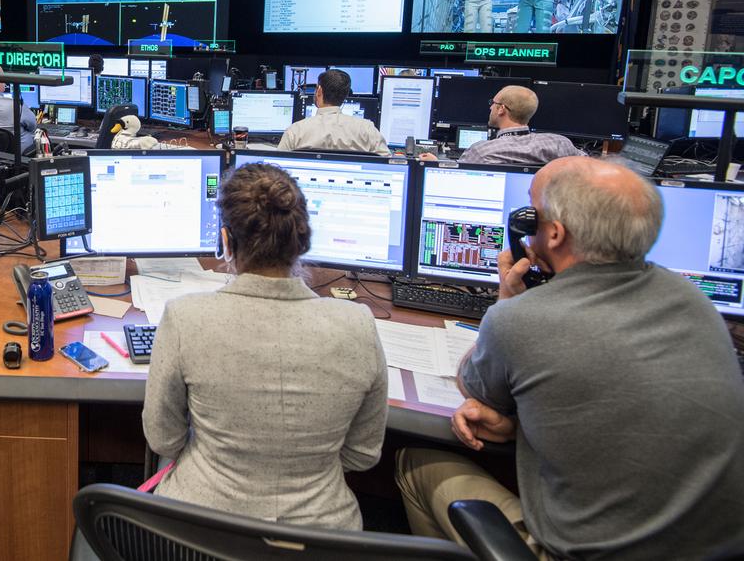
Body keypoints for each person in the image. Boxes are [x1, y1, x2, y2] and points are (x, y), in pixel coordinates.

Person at [396, 157, 744, 559]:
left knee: (414, 464)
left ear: (555, 234)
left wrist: (507, 299)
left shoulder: (521, 320)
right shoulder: (695, 302)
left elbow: (477, 392)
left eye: (531, 213)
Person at [143, 162, 388, 527]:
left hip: (200, 534)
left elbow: (164, 440)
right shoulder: (359, 325)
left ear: (226, 241)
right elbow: (362, 455)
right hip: (323, 541)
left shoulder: (185, 317)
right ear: (301, 241)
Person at [424, 85, 580, 166]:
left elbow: (455, 175)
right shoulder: (560, 143)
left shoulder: (481, 152)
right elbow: (589, 164)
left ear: (502, 109)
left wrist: (436, 162)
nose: (490, 107)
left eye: (494, 103)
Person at [277, 69, 389, 155]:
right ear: (346, 95)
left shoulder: (295, 131)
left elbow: (277, 167)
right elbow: (388, 163)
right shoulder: (367, 129)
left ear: (319, 91)